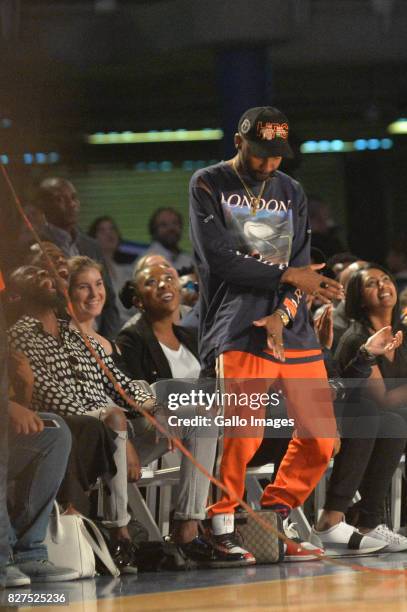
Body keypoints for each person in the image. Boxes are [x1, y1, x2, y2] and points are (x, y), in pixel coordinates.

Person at [8, 264, 242, 568]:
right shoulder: (17, 337)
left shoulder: (79, 336)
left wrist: (153, 408)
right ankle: (120, 534)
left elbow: (122, 382)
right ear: (17, 294)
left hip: (119, 426)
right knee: (114, 417)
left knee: (201, 413)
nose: (47, 278)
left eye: (49, 274)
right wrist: (116, 433)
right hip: (82, 435)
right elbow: (52, 399)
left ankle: (187, 527)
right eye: (35, 275)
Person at [189, 105, 344, 562]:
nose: (269, 164)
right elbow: (220, 259)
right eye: (261, 155)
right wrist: (290, 279)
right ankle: (221, 523)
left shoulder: (290, 188)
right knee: (244, 432)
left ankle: (274, 516)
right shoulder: (207, 183)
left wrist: (284, 310)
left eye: (277, 156)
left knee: (321, 436)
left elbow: (304, 267)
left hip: (290, 329)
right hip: (236, 324)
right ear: (239, 143)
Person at [310, 305, 407, 553]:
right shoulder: (353, 336)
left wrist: (362, 354)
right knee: (367, 412)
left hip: (326, 413)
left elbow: (336, 387)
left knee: (392, 423)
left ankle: (368, 521)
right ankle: (330, 519)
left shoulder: (397, 336)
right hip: (290, 418)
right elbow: (379, 398)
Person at [31, 178, 120, 339]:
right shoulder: (35, 245)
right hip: (61, 341)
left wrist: (108, 343)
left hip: (100, 340)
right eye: (60, 199)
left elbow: (109, 302)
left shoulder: (92, 245)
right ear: (44, 206)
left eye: (73, 198)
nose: (71, 204)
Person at [117, 261, 199, 383]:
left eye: (168, 278)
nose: (163, 285)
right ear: (138, 301)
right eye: (151, 282)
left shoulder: (193, 330)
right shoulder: (131, 340)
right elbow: (139, 395)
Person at [88, 216, 135, 328]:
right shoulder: (90, 274)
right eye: (102, 230)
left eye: (112, 229)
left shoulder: (128, 271)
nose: (109, 234)